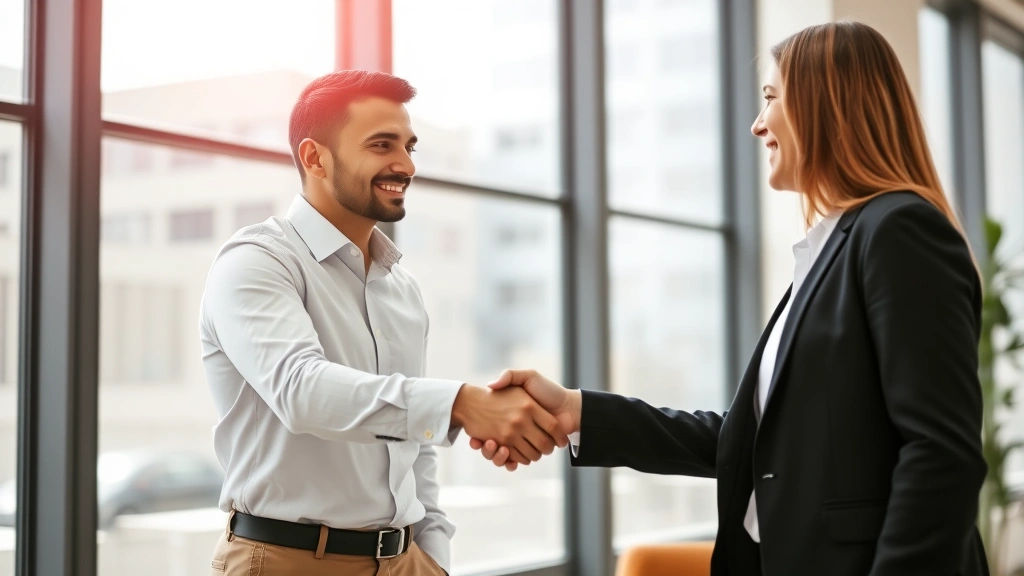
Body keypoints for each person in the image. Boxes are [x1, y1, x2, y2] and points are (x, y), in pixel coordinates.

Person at [471, 21, 990, 576]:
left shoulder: (898, 230)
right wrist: (578, 412)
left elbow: (941, 453)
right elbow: (758, 441)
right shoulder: (830, 249)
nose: (757, 124)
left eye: (771, 98)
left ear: (827, 104)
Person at [199, 70, 567, 576]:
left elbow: (414, 446)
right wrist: (460, 403)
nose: (405, 164)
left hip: (406, 561)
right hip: (286, 562)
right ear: (315, 158)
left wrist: (433, 554)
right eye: (381, 144)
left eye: (409, 146)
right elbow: (300, 391)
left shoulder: (402, 288)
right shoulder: (257, 261)